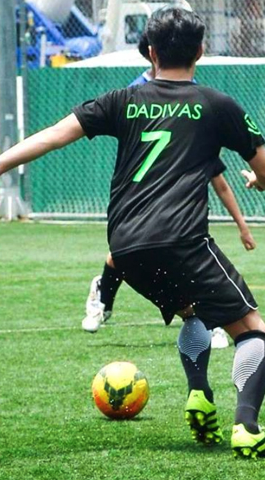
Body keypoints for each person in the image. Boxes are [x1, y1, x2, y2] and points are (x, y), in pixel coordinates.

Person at [0, 7, 265, 457]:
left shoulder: (121, 101)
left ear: (149, 52)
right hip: (182, 240)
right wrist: (259, 182)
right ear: (201, 51)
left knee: (193, 313)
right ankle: (247, 427)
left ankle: (200, 392)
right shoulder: (217, 105)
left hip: (125, 250)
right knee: (252, 331)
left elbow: (53, 134)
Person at [82, 34, 246, 353]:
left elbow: (220, 177)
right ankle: (103, 298)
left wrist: (242, 223)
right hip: (143, 189)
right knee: (130, 252)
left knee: (175, 254)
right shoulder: (136, 95)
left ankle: (206, 322)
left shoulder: (195, 99)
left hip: (179, 198)